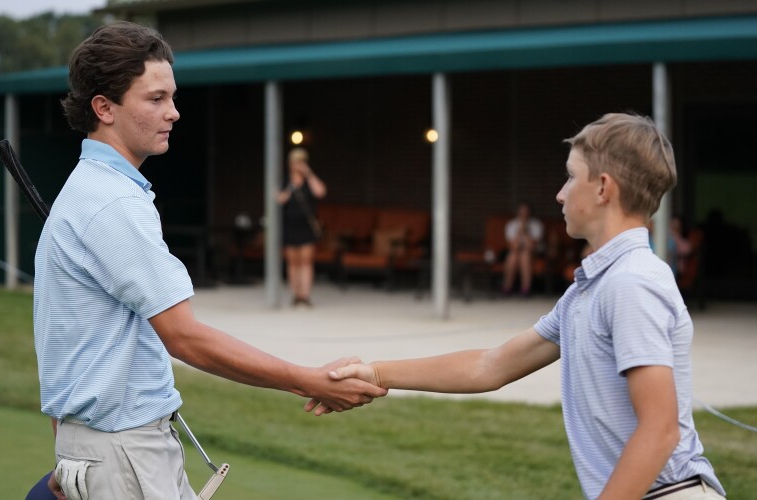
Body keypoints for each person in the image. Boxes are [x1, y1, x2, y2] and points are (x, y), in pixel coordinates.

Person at [35, 22, 385, 500]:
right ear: (104, 107)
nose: (174, 112)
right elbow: (186, 337)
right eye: (155, 99)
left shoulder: (90, 190)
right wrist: (308, 380)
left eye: (172, 98)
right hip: (124, 452)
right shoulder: (112, 203)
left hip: (106, 449)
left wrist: (74, 440)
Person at [324, 113, 725, 499]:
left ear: (603, 188)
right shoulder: (593, 288)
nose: (560, 193)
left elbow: (660, 430)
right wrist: (375, 373)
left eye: (571, 176)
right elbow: (491, 366)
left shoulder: (631, 283)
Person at [277, 147, 327, 306]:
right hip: (289, 225)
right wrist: (290, 188)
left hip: (306, 226)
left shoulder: (309, 181)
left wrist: (308, 174)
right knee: (293, 262)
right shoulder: (285, 181)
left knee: (306, 261)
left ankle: (305, 295)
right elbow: (279, 199)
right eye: (295, 162)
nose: (298, 165)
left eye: (301, 162)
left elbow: (321, 192)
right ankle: (296, 294)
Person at [500, 201, 544, 296]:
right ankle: (507, 287)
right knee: (513, 255)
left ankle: (525, 289)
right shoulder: (511, 224)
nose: (524, 214)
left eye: (526, 212)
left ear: (530, 213)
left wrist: (525, 230)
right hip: (516, 252)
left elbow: (531, 247)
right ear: (518, 213)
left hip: (533, 253)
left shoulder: (536, 224)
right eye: (521, 212)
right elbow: (514, 247)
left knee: (525, 255)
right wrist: (520, 231)